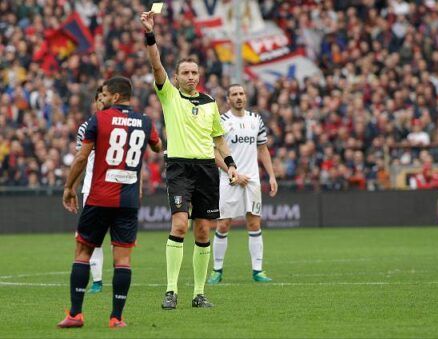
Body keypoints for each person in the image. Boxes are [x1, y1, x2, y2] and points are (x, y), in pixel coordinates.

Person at [140, 11, 238, 309]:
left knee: (204, 229)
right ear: (178, 76)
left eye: (194, 73)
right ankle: (171, 291)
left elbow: (218, 139)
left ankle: (198, 293)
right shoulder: (169, 95)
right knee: (180, 224)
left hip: (207, 168)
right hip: (180, 166)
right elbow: (157, 65)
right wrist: (150, 35)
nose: (191, 77)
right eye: (185, 73)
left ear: (199, 76)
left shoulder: (209, 103)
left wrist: (231, 164)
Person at [58, 76, 162, 328]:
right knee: (123, 259)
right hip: (128, 200)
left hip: (99, 196)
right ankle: (116, 317)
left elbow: (82, 158)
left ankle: (75, 314)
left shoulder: (98, 119)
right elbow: (158, 147)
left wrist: (68, 187)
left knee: (83, 252)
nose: (101, 98)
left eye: (104, 94)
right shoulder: (145, 121)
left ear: (115, 96)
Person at [207, 84, 278, 285]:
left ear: (246, 97)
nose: (238, 97)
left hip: (253, 181)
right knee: (223, 224)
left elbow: (263, 149)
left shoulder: (256, 120)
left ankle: (258, 270)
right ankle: (217, 270)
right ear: (228, 99)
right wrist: (233, 173)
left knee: (254, 222)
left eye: (241, 94)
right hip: (229, 180)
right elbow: (214, 152)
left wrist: (271, 176)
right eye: (234, 94)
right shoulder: (222, 121)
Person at [74, 86, 105, 294]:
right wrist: (73, 186)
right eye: (100, 98)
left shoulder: (123, 124)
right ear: (96, 101)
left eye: (106, 97)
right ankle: (97, 280)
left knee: (119, 239)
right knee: (92, 235)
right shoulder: (86, 127)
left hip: (118, 186)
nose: (103, 101)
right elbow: (81, 159)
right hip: (92, 187)